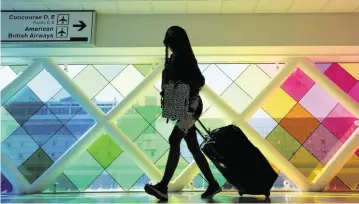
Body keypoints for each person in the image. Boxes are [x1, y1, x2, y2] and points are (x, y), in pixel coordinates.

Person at [144, 26, 221, 201]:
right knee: (193, 148)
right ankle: (213, 184)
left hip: (191, 106)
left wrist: (182, 85)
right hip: (184, 105)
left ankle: (163, 186)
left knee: (174, 140)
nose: (170, 47)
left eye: (172, 43)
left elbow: (200, 80)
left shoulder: (184, 57)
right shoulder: (176, 57)